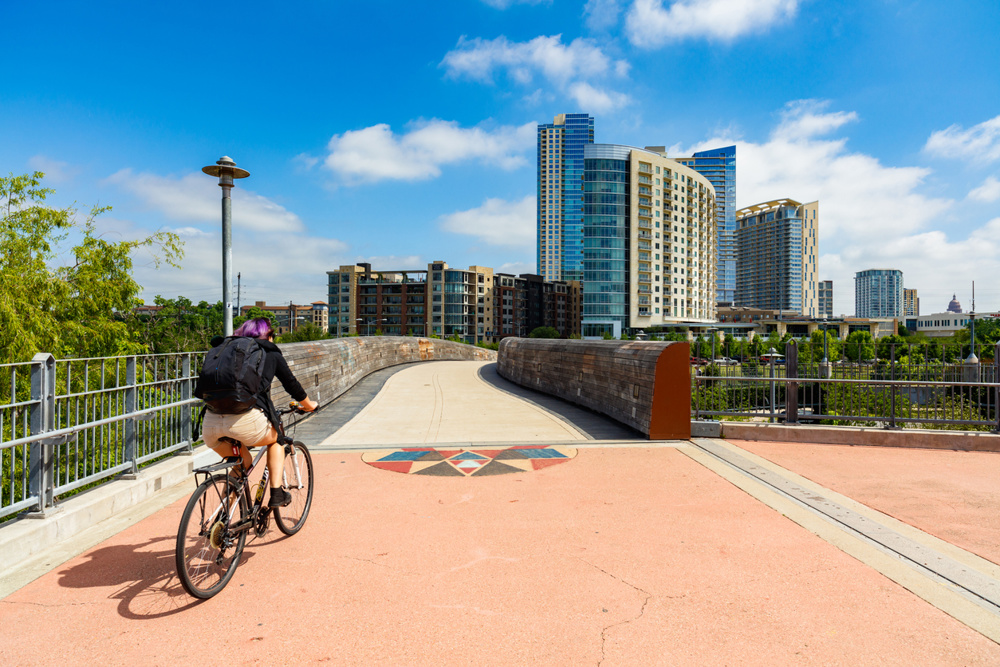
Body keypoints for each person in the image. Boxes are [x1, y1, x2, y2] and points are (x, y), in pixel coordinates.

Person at [201, 318, 318, 507]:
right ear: (268, 335)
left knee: (242, 463)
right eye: (273, 335)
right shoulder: (269, 353)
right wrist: (309, 404)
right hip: (246, 421)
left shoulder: (227, 352)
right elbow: (292, 385)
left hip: (210, 424)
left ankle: (222, 520)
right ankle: (277, 493)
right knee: (277, 440)